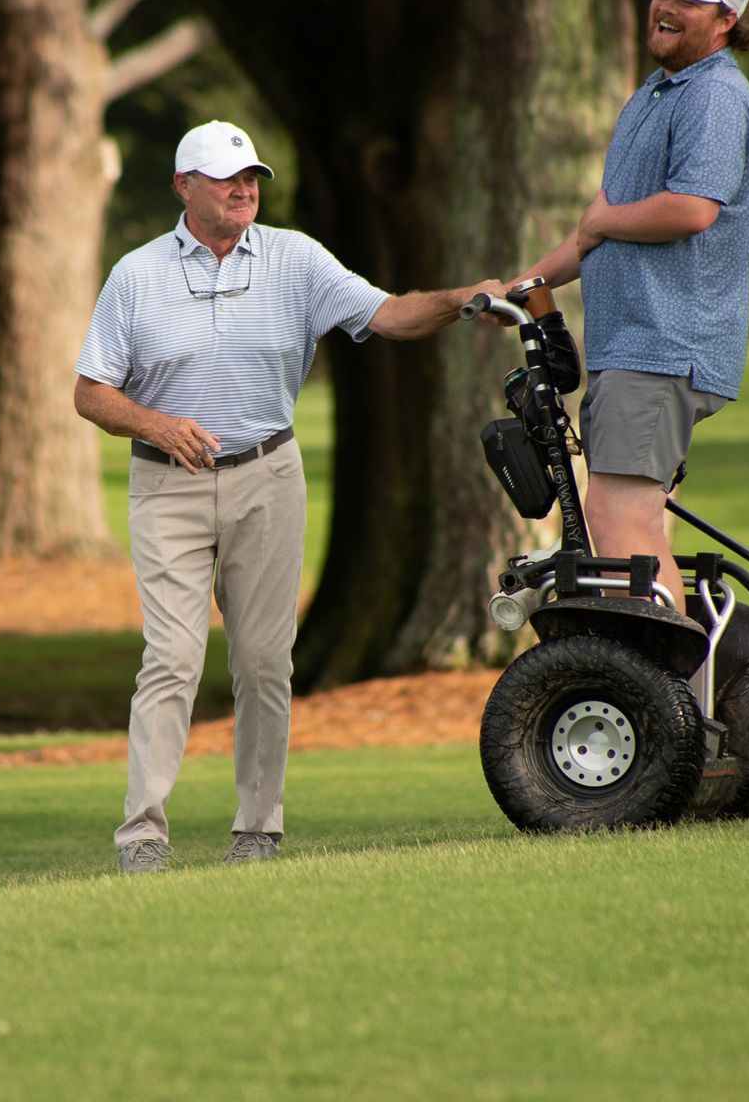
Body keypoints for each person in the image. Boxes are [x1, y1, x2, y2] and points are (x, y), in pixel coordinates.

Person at [74, 119, 503, 874]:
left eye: (251, 178)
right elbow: (91, 392)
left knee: (265, 661)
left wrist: (461, 298)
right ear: (183, 186)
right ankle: (142, 835)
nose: (244, 190)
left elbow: (388, 314)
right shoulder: (136, 275)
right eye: (226, 179)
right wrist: (157, 424)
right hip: (168, 484)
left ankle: (258, 830)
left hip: (268, 477)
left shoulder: (296, 259)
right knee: (171, 658)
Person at [513, 0, 749, 614]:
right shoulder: (656, 94)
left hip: (664, 346)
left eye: (690, 0)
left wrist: (601, 222)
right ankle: (674, 675)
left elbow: (691, 209)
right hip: (631, 347)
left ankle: (661, 678)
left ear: (726, 21)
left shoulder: (714, 96)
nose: (667, 6)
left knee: (621, 524)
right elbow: (596, 232)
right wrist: (521, 286)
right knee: (628, 522)